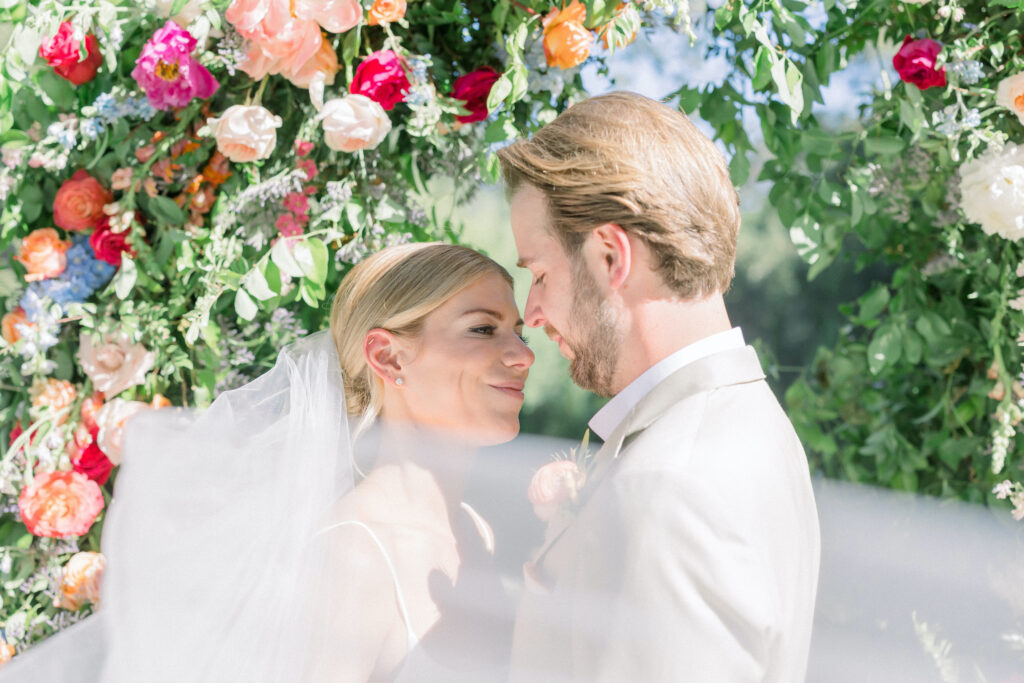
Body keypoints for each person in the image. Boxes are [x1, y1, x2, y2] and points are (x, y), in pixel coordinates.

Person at [0, 243, 534, 682]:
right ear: (389, 357)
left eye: (520, 332)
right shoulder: (356, 552)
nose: (523, 355)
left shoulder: (475, 531)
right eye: (483, 329)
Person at [498, 91, 821, 681]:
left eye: (540, 274)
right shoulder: (744, 424)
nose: (532, 311)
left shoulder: (672, 483)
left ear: (609, 256)